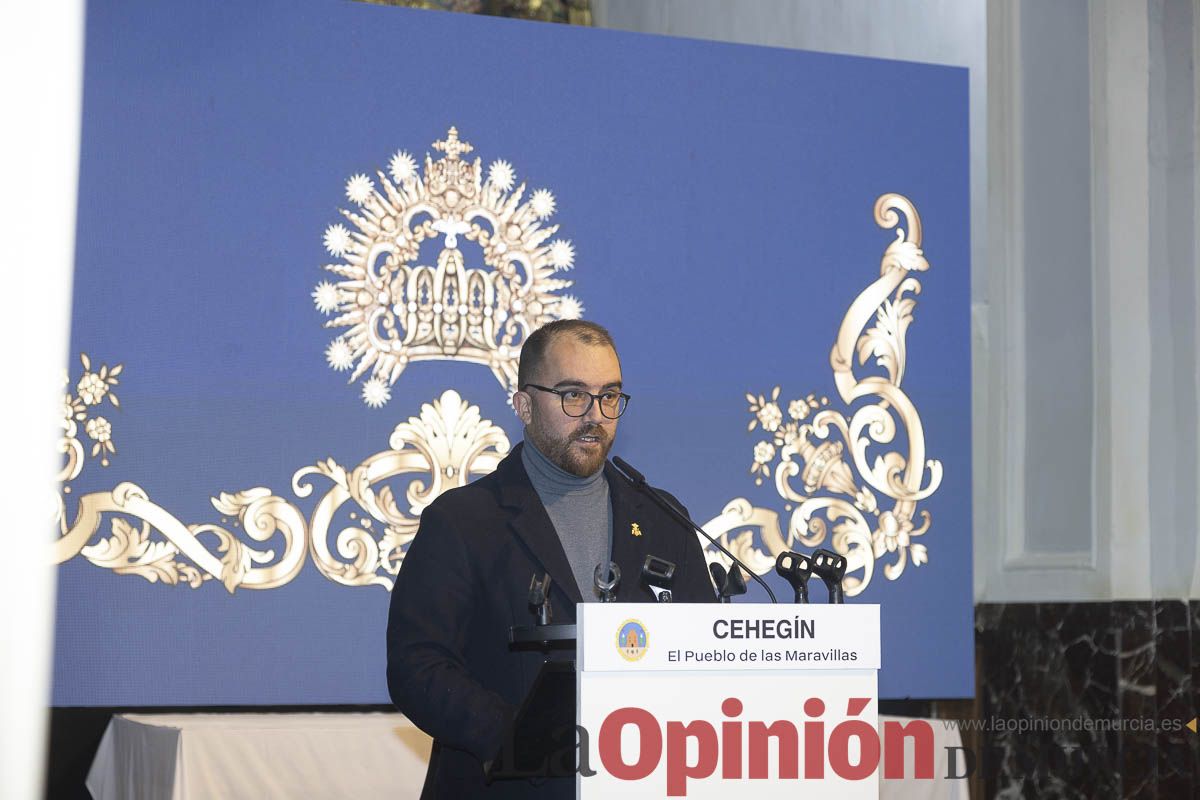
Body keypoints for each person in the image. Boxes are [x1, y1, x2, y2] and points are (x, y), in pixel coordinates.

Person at [386, 319, 716, 798]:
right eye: (573, 395)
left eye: (610, 396)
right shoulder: (463, 521)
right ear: (524, 404)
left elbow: (703, 652)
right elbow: (416, 666)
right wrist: (521, 735)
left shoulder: (664, 518)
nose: (595, 415)